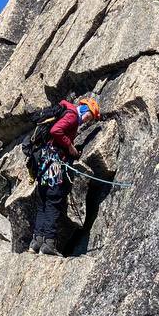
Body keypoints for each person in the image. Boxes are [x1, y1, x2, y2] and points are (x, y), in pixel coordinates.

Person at [28, 95, 101, 255]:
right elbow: (56, 130)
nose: (89, 120)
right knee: (54, 199)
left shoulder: (67, 112)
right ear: (86, 109)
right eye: (91, 116)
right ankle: (49, 244)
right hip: (54, 162)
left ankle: (36, 242)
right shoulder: (73, 115)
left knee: (44, 200)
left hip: (43, 161)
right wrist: (70, 147)